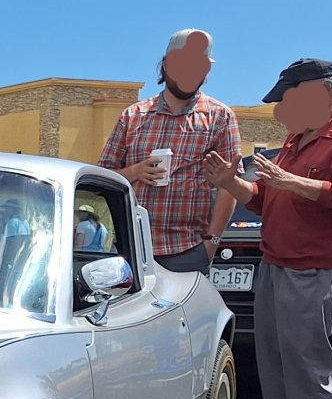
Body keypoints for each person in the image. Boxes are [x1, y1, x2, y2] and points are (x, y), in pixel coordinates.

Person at [205, 58, 332, 399]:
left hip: (313, 266)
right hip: (275, 262)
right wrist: (230, 183)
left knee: (305, 356)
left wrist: (291, 182)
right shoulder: (298, 138)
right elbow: (264, 198)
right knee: (273, 354)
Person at [98, 28, 241, 275]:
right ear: (165, 65)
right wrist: (135, 171)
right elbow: (102, 177)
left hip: (188, 251)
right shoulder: (133, 116)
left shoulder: (220, 117)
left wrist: (211, 244)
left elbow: (230, 186)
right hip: (131, 248)